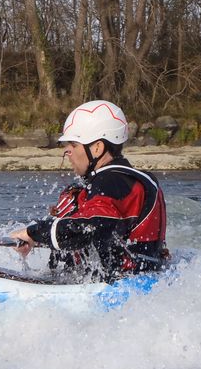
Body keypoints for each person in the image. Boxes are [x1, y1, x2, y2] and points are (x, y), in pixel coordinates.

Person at [11, 100, 168, 282]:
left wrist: (33, 233)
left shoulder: (112, 182)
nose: (67, 151)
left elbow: (88, 227)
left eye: (74, 145)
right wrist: (38, 240)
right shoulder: (123, 179)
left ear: (97, 148)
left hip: (123, 287)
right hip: (142, 279)